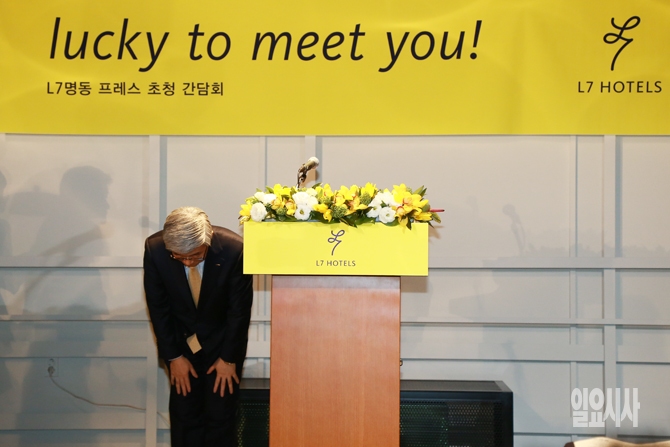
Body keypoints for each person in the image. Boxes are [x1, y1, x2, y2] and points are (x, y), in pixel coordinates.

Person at [143, 206, 253, 447]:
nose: (187, 262)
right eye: (179, 257)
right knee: (185, 416)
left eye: (195, 256)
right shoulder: (156, 250)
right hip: (181, 344)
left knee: (221, 416)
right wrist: (174, 358)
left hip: (223, 346)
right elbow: (159, 309)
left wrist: (228, 359)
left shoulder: (234, 250)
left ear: (208, 240)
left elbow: (239, 312)